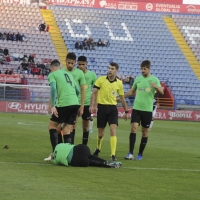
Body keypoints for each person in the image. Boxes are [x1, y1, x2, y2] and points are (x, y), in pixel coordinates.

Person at [124, 60, 164, 161]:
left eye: (144, 69)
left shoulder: (154, 79)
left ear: (149, 69)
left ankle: (140, 154)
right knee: (133, 129)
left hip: (147, 110)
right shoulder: (138, 79)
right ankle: (130, 153)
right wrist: (121, 97)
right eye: (141, 69)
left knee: (144, 133)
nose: (142, 70)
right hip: (137, 108)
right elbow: (131, 91)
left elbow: (162, 92)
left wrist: (156, 87)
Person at [89, 62, 129, 161]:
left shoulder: (119, 83)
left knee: (113, 130)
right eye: (109, 68)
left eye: (112, 69)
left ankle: (113, 155)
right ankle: (98, 148)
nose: (110, 70)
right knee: (100, 134)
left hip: (112, 109)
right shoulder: (100, 80)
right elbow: (94, 93)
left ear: (116, 71)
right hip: (102, 108)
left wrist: (126, 111)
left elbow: (122, 98)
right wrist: (92, 105)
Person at [44, 59, 80, 161]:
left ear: (51, 68)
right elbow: (77, 90)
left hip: (64, 103)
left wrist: (53, 105)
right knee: (66, 129)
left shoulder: (52, 75)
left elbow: (53, 88)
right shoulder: (68, 74)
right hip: (75, 103)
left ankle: (55, 154)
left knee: (52, 126)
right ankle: (69, 155)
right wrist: (73, 100)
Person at [61, 52, 86, 144]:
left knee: (72, 126)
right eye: (69, 63)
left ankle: (70, 147)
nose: (70, 65)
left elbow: (83, 90)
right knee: (58, 126)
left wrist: (82, 106)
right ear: (65, 61)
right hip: (62, 103)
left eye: (72, 63)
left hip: (74, 103)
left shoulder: (79, 73)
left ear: (75, 62)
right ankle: (59, 147)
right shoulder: (61, 72)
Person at [76, 56, 97, 145]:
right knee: (72, 125)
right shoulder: (74, 74)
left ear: (86, 64)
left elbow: (96, 91)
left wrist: (94, 105)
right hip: (75, 103)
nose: (81, 66)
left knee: (85, 127)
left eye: (83, 64)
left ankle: (84, 146)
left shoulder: (92, 75)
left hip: (87, 104)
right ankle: (69, 146)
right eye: (79, 64)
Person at [50, 143, 122, 168]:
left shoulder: (55, 161)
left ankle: (103, 164)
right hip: (83, 149)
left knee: (90, 162)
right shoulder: (58, 146)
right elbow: (69, 145)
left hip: (78, 161)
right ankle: (106, 162)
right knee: (90, 156)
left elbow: (54, 160)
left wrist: (51, 158)